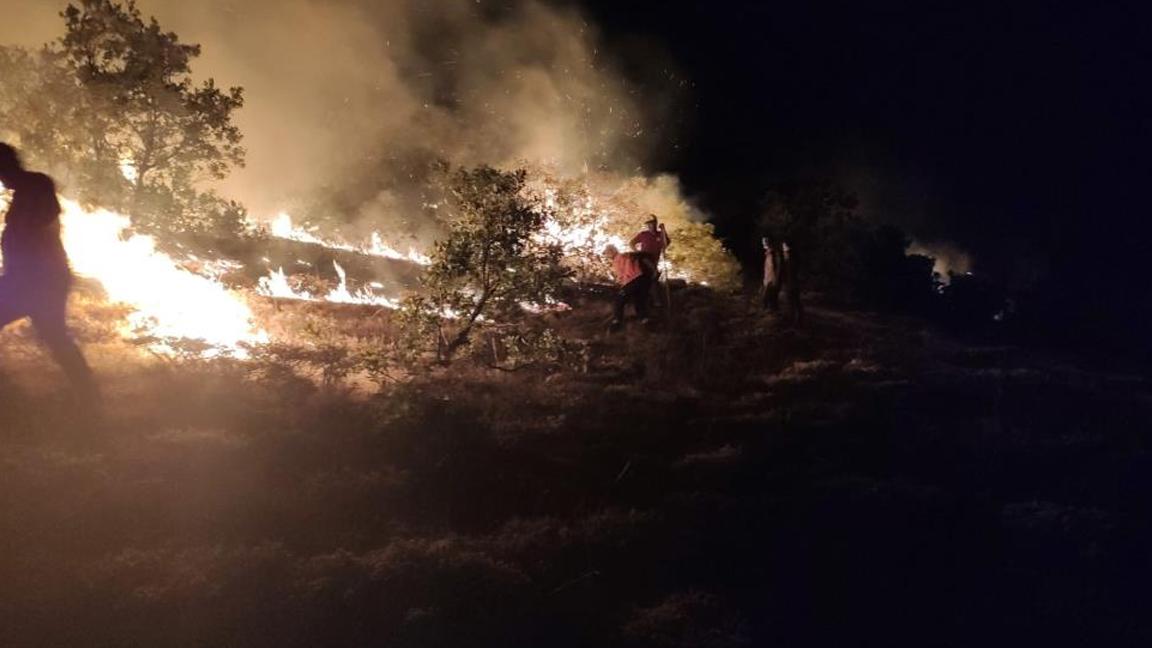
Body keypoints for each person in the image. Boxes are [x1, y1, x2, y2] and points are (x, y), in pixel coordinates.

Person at [0, 143, 96, 398]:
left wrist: (22, 232)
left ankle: (87, 395)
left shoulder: (35, 185)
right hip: (30, 277)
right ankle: (88, 394)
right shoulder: (25, 190)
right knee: (54, 335)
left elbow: (45, 216)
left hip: (37, 279)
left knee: (54, 335)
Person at [603, 244, 652, 331]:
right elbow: (642, 257)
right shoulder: (626, 256)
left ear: (612, 251)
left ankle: (617, 322)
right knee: (639, 301)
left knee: (619, 300)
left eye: (607, 253)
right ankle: (645, 321)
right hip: (641, 279)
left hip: (632, 281)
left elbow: (623, 276)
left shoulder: (621, 257)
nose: (607, 256)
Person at [779, 240, 803, 325]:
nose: (783, 248)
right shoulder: (790, 257)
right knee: (795, 301)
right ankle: (797, 318)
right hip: (792, 283)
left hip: (792, 283)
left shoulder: (790, 258)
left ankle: (794, 319)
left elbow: (790, 271)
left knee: (792, 301)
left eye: (784, 246)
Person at [760, 236, 781, 312]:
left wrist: (775, 278)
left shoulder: (773, 253)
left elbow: (776, 267)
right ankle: (772, 311)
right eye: (763, 241)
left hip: (772, 279)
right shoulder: (768, 253)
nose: (763, 243)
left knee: (768, 296)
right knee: (768, 297)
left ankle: (773, 312)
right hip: (768, 278)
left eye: (765, 241)